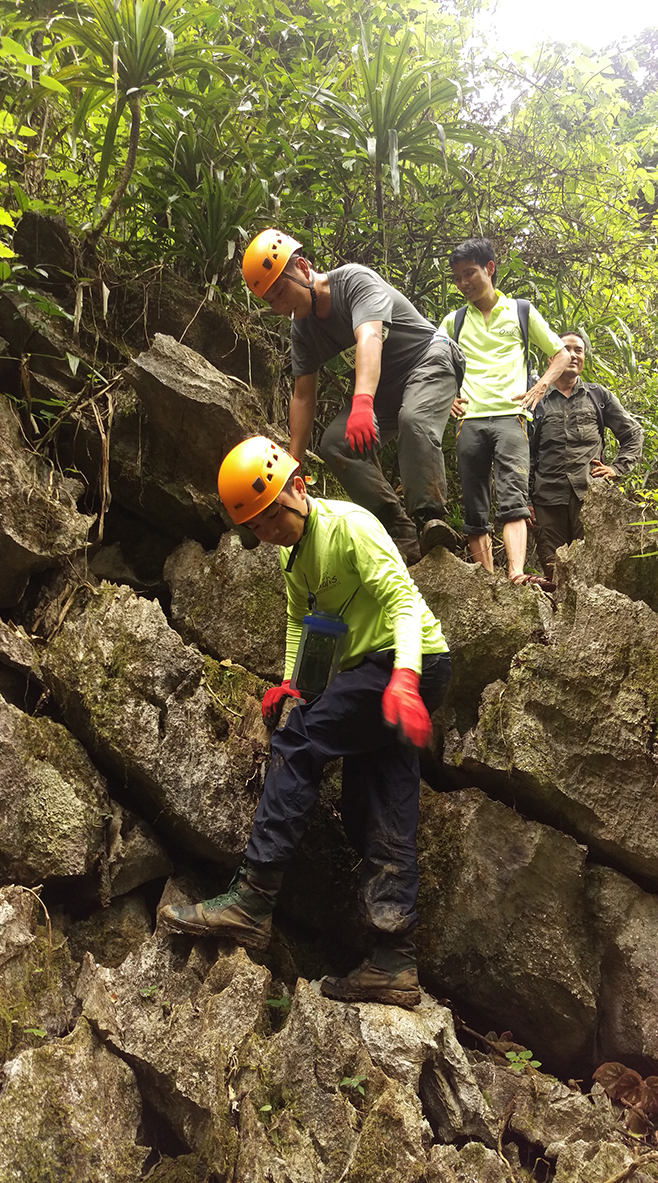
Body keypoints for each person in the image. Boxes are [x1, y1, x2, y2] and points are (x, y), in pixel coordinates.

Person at [160, 435, 452, 1009]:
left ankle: (253, 898)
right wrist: (296, 682)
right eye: (257, 528)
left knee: (298, 740)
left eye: (271, 519)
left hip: (409, 660)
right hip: (375, 672)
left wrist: (405, 680)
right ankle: (394, 959)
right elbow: (303, 620)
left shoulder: (351, 526)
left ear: (299, 486)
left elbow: (402, 601)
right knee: (378, 803)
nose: (267, 533)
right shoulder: (289, 554)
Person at [240, 228, 466, 566]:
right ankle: (400, 532)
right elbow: (303, 396)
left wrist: (362, 402)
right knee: (335, 444)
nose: (280, 305)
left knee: (414, 419)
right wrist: (292, 465)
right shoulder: (302, 330)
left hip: (429, 358)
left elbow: (370, 337)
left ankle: (430, 520)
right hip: (383, 388)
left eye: (281, 290)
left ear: (302, 267)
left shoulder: (353, 281)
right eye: (270, 301)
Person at [439, 238, 570, 585]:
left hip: (512, 416)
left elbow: (562, 355)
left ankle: (514, 573)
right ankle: (486, 581)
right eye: (458, 278)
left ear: (490, 269)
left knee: (514, 495)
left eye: (470, 274)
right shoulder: (453, 322)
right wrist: (445, 396)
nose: (464, 283)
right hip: (470, 419)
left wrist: (540, 387)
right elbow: (430, 363)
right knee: (474, 501)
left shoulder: (521, 311)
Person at [529, 330, 644, 581]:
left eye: (578, 350)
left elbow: (633, 433)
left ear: (584, 358)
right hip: (547, 500)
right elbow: (522, 452)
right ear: (551, 359)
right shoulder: (537, 399)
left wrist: (617, 468)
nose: (572, 355)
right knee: (554, 572)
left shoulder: (598, 396)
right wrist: (525, 500)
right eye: (564, 349)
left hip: (591, 499)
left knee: (593, 574)